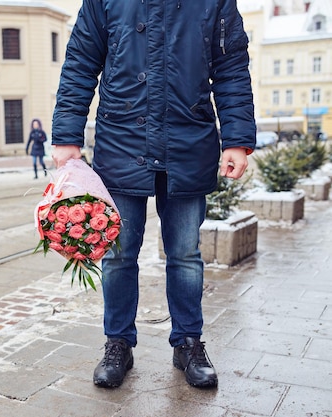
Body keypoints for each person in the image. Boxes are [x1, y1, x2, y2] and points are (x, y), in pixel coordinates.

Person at [51, 1, 256, 389]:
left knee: (184, 254)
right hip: (122, 140)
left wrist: (238, 139)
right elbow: (81, 59)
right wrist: (66, 134)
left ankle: (188, 343)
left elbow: (230, 67)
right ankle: (118, 343)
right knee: (119, 253)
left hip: (188, 139)